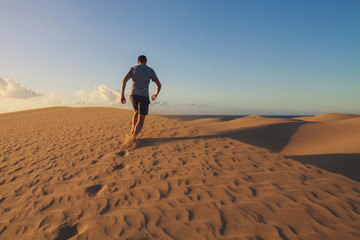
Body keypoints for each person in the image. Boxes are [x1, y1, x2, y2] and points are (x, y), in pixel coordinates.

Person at [121, 55, 161, 138]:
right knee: (141, 117)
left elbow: (124, 80)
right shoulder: (150, 70)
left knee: (136, 111)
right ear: (146, 62)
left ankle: (133, 129)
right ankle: (133, 137)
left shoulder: (133, 69)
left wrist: (122, 95)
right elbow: (159, 84)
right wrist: (155, 94)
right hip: (143, 95)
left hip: (133, 95)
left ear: (138, 61)